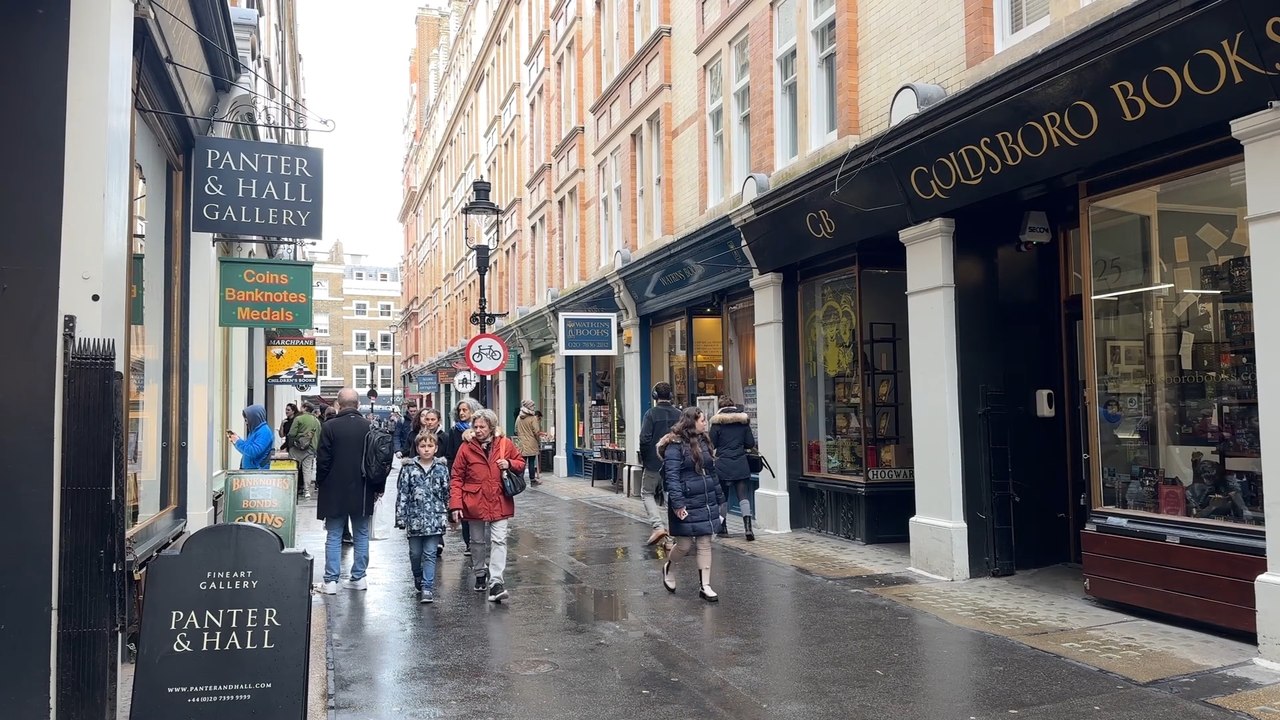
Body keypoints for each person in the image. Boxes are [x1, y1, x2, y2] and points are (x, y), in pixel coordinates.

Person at [449, 408, 525, 602]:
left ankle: (496, 582)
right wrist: (455, 505)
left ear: (491, 427)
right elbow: (456, 477)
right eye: (476, 426)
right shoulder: (466, 448)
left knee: (499, 540)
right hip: (473, 500)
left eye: (482, 426)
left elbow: (520, 463)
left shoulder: (505, 444)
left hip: (499, 499)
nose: (478, 430)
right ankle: (480, 572)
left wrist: (509, 463)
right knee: (477, 542)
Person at [316, 388, 382, 594]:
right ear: (358, 405)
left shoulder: (329, 427)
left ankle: (331, 581)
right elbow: (377, 460)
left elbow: (323, 460)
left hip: (334, 489)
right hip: (363, 489)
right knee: (361, 534)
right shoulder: (369, 427)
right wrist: (377, 487)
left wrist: (320, 482)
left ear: (338, 404)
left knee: (334, 534)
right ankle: (359, 577)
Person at [658, 407, 724, 602]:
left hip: (705, 500)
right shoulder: (674, 445)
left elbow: (712, 472)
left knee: (704, 542)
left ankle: (705, 586)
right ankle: (669, 567)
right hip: (686, 501)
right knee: (685, 545)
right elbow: (672, 476)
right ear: (691, 421)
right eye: (702, 420)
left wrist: (720, 499)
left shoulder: (704, 441)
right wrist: (678, 504)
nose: (705, 423)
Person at [395, 432, 452, 603]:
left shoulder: (441, 468)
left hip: (435, 518)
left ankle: (428, 586)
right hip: (415, 518)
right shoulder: (409, 468)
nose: (426, 449)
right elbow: (403, 494)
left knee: (430, 553)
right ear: (417, 448)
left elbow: (446, 493)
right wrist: (400, 517)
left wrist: (451, 514)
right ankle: (418, 575)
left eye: (430, 446)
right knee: (415, 553)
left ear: (435, 448)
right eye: (423, 446)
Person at [638, 382, 682, 546]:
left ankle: (658, 527)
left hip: (653, 462)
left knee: (647, 493)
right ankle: (673, 534)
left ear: (655, 396)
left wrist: (645, 459)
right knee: (670, 495)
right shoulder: (679, 414)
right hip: (675, 463)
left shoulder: (650, 414)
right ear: (671, 396)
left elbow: (644, 439)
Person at [710, 396, 757, 541]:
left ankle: (723, 527)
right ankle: (748, 528)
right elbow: (750, 443)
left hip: (722, 463)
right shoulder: (743, 423)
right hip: (740, 463)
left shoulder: (717, 424)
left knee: (722, 497)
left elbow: (712, 444)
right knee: (743, 496)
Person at [448, 398, 483, 555]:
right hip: (462, 476)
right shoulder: (454, 431)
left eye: (465, 410)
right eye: (460, 410)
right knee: (465, 511)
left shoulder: (481, 429)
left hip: (479, 476)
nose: (462, 413)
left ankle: (480, 541)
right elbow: (450, 455)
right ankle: (469, 543)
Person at [287, 401, 322, 499]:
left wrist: (291, 444)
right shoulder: (316, 421)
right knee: (307, 470)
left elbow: (292, 433)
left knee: (293, 468)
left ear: (305, 408)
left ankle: (291, 488)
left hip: (296, 448)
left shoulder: (298, 419)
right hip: (310, 449)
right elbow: (318, 436)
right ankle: (307, 490)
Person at [228, 404, 274, 470]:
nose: (246, 423)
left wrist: (238, 441)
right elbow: (246, 450)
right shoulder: (255, 431)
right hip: (250, 471)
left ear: (255, 418)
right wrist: (235, 441)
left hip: (257, 473)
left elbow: (254, 451)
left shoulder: (264, 432)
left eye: (247, 420)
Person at [514, 400, 542, 486]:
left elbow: (515, 430)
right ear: (529, 407)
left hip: (521, 443)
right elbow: (536, 431)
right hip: (531, 442)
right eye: (533, 406)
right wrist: (538, 441)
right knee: (531, 462)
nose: (534, 407)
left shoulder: (519, 417)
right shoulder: (532, 418)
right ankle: (532, 480)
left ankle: (520, 480)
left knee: (522, 462)